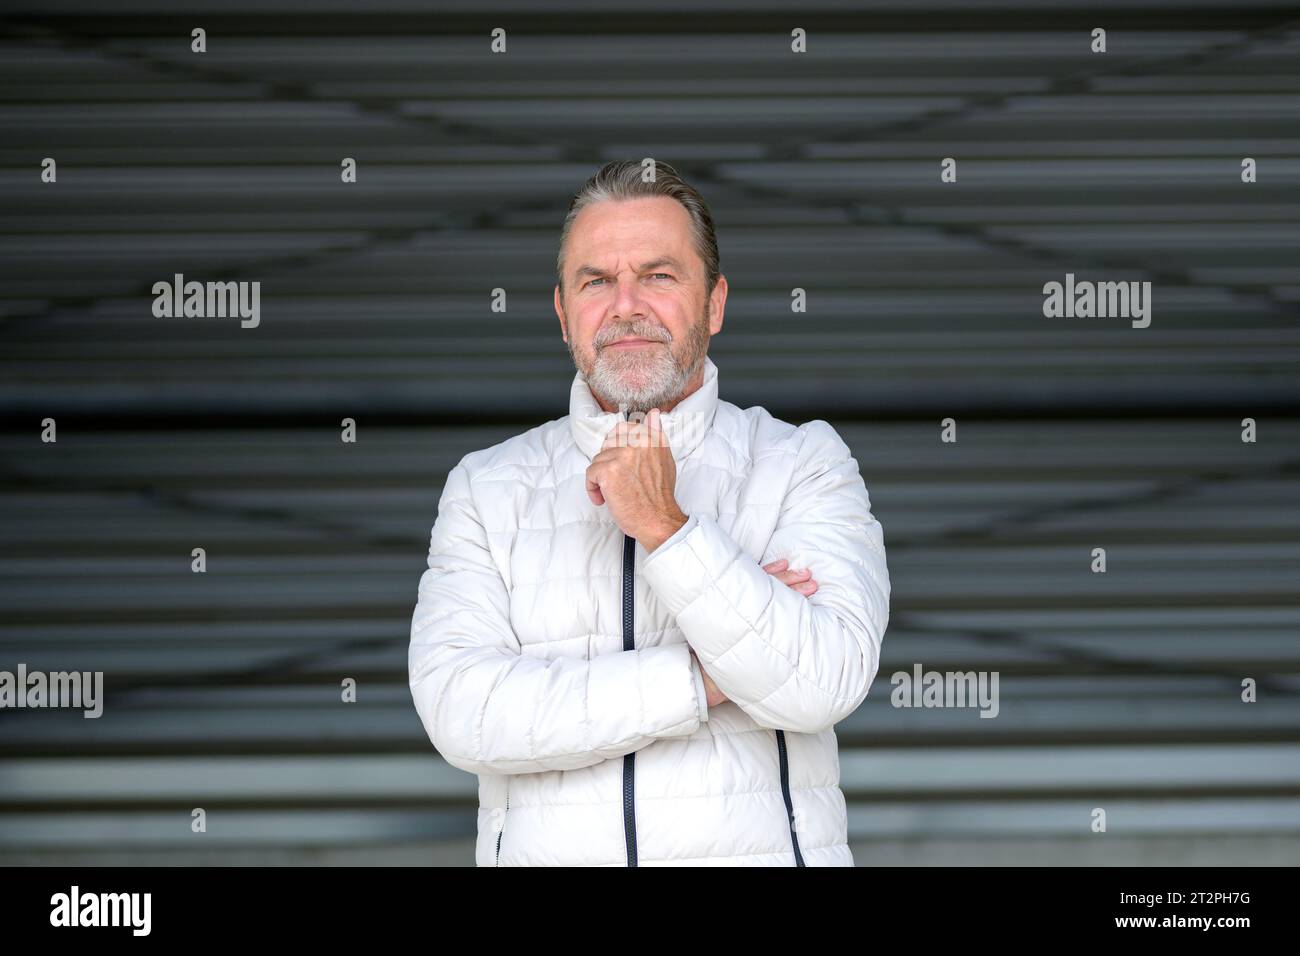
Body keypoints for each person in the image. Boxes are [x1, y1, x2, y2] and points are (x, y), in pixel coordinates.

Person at [408, 159, 890, 866]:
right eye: (596, 280)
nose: (626, 304)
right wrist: (702, 678)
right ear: (563, 311)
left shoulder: (802, 462)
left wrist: (668, 526)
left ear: (714, 303)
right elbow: (465, 714)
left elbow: (821, 682)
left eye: (659, 275)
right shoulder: (486, 488)